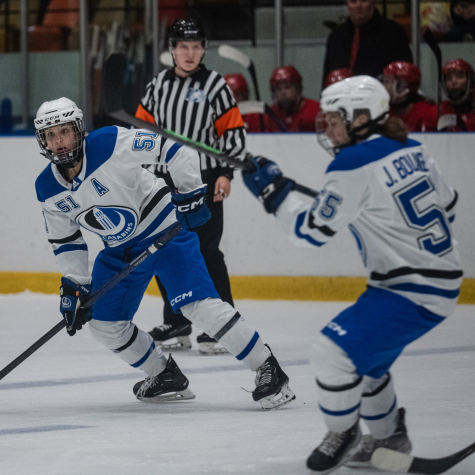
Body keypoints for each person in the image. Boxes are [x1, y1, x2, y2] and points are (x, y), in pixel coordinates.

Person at [241, 76, 462, 472]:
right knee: (368, 361)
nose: (328, 128)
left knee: (331, 353)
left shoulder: (350, 162)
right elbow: (447, 206)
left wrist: (272, 194)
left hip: (410, 287)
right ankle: (387, 436)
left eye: (335, 119)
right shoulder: (410, 146)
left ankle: (344, 432)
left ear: (361, 117)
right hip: (428, 279)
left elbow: (309, 233)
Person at [34, 97, 295, 410]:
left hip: (164, 230)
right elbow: (66, 239)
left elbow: (171, 150)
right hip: (119, 251)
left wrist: (190, 194)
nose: (59, 142)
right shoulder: (47, 187)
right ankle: (164, 374)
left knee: (199, 308)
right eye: (51, 135)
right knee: (104, 324)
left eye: (64, 132)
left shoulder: (109, 143)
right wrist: (76, 282)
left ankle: (268, 368)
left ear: (78, 131)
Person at [135, 19, 244, 355]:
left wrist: (226, 172)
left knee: (208, 252)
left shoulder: (215, 85)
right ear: (172, 49)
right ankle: (177, 322)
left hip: (206, 181)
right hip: (165, 183)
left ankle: (225, 325)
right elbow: (141, 134)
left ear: (204, 49)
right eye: (183, 46)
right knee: (165, 251)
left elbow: (234, 133)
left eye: (196, 46)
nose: (190, 53)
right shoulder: (158, 86)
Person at [322, 0, 413, 86]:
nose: (358, 5)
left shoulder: (393, 33)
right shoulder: (337, 36)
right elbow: (327, 78)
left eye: (364, 1)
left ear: (373, 2)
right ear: (347, 3)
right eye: (353, 1)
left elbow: (406, 76)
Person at [383, 61, 439, 132]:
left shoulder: (428, 113)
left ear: (401, 86)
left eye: (387, 82)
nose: (384, 87)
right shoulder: (384, 111)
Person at [266, 65, 320, 132]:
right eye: (278, 89)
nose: (283, 92)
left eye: (287, 87)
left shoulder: (315, 111)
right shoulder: (270, 115)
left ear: (298, 89)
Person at [438, 59, 475, 131]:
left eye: (460, 77)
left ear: (470, 81)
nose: (454, 82)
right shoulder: (439, 110)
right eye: (449, 78)